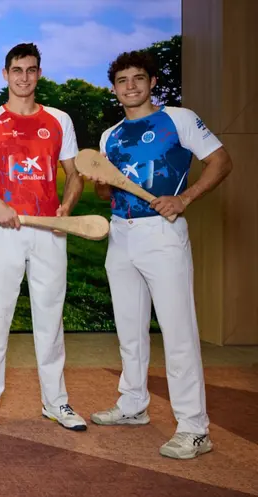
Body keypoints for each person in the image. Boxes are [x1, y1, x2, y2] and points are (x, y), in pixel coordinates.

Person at [89, 50, 232, 459]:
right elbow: (106, 192)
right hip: (120, 233)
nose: (130, 86)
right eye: (122, 80)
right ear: (114, 88)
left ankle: (194, 427)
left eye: (138, 78)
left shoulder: (179, 119)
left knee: (178, 333)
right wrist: (99, 182)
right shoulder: (110, 135)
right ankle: (133, 404)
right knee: (130, 331)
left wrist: (184, 198)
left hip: (163, 234)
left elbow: (221, 161)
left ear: (153, 82)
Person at [0, 43, 87, 433]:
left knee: (50, 319)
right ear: (6, 74)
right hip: (5, 232)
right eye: (17, 70)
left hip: (49, 231)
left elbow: (75, 173)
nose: (24, 77)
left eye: (31, 70)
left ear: (39, 73)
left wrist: (66, 208)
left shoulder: (59, 120)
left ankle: (56, 402)